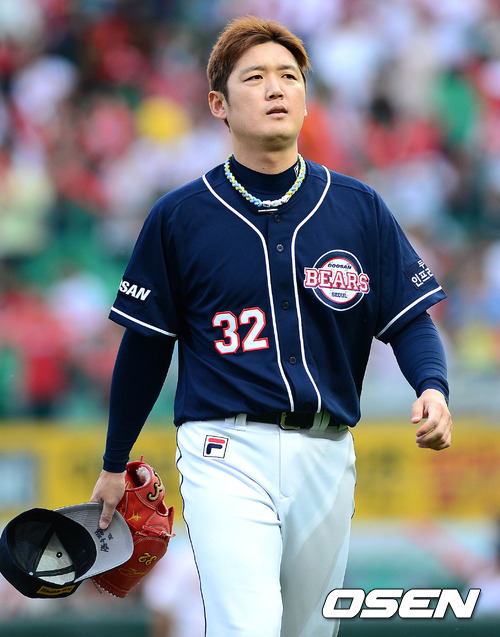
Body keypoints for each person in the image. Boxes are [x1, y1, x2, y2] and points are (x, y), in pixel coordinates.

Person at [90, 15, 452, 637]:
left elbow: (410, 320)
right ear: (219, 104)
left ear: (307, 99)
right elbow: (146, 349)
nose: (276, 88)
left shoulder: (358, 207)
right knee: (248, 626)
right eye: (255, 77)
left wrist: (433, 386)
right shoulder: (179, 216)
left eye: (289, 76)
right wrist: (113, 462)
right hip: (223, 449)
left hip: (328, 450)